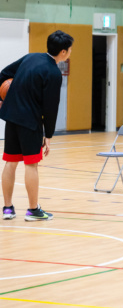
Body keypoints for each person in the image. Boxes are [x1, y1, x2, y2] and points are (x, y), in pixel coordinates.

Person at [1, 30, 73, 221]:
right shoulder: (54, 73)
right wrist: (48, 135)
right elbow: (50, 108)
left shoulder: (30, 57)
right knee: (31, 165)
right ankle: (33, 210)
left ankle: (7, 208)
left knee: (10, 162)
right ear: (64, 52)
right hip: (30, 122)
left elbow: (3, 74)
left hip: (11, 118)